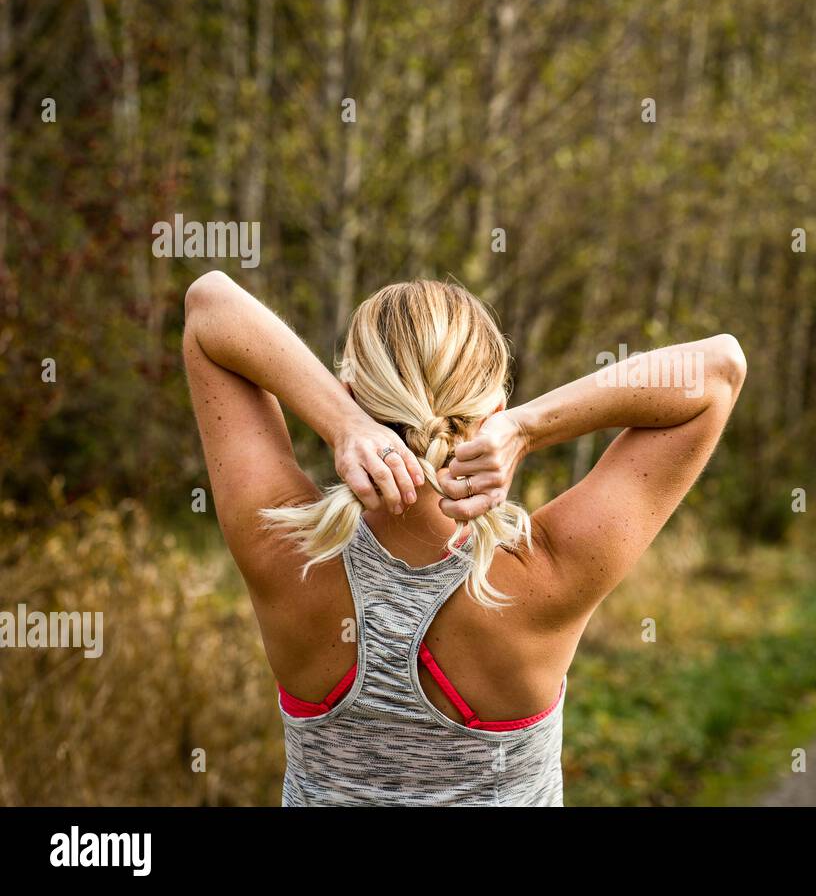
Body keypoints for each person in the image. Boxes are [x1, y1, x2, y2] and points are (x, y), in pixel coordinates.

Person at [182, 271, 746, 805]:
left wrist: (341, 423)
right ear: (492, 409)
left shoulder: (287, 552)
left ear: (350, 390)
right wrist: (526, 428)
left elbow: (211, 305)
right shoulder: (547, 573)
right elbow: (718, 370)